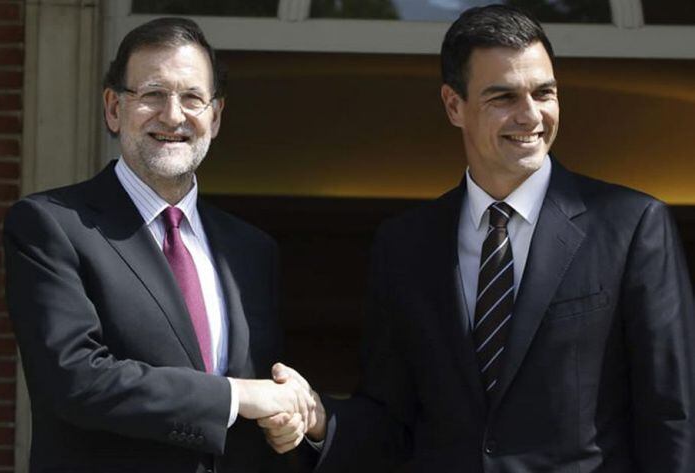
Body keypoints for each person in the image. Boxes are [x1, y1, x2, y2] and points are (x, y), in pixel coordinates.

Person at [262, 5, 695, 472]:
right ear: (454, 105)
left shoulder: (631, 226)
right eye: (503, 96)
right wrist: (322, 418)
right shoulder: (405, 245)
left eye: (544, 93)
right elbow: (390, 419)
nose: (530, 115)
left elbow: (671, 414)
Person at [4, 18, 314, 472]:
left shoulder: (251, 250)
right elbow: (74, 379)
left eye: (192, 97)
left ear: (216, 116)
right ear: (113, 108)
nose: (173, 115)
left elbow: (256, 401)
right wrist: (236, 395)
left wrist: (284, 418)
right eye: (151, 94)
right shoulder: (51, 226)